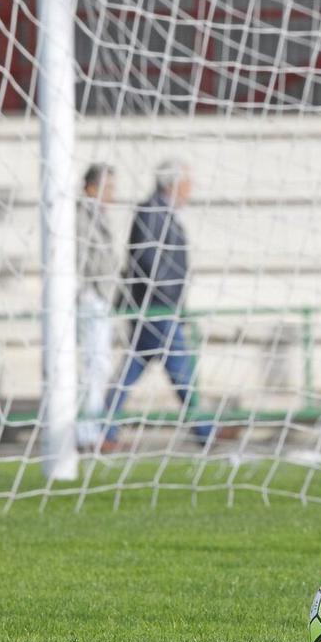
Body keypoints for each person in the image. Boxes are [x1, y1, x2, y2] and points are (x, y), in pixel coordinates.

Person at [103, 159, 232, 447]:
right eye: (187, 183)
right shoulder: (150, 211)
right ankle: (204, 431)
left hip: (161, 308)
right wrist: (167, 297)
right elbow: (148, 260)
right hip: (156, 308)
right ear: (172, 185)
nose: (190, 189)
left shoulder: (164, 212)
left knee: (134, 368)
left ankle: (105, 428)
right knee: (181, 369)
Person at [76, 164, 121, 452]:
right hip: (89, 299)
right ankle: (86, 434)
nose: (112, 195)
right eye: (108, 188)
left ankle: (91, 430)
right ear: (92, 188)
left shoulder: (96, 214)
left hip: (100, 299)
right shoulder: (80, 215)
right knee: (92, 367)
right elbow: (82, 259)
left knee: (99, 366)